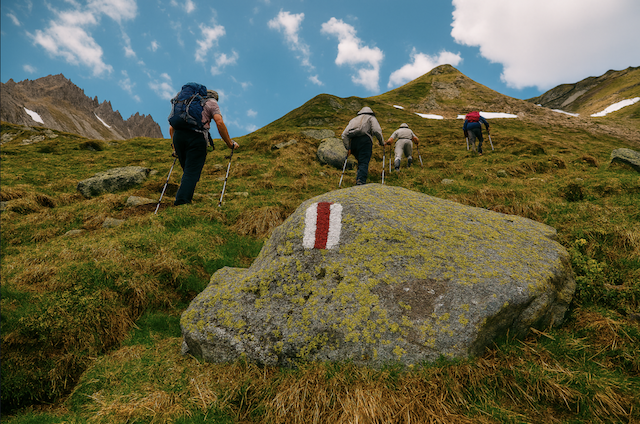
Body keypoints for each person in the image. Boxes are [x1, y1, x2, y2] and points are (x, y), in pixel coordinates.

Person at [170, 89, 239, 206]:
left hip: (178, 136)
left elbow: (172, 127)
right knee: (191, 172)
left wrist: (175, 147)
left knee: (188, 170)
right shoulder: (212, 102)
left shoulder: (186, 102)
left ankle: (184, 198)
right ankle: (182, 202)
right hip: (196, 137)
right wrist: (229, 143)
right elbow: (219, 122)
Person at [341, 106, 384, 185]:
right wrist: (381, 142)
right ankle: (361, 181)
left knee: (360, 161)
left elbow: (344, 135)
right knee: (363, 161)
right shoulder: (371, 118)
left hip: (353, 142)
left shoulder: (353, 120)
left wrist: (348, 148)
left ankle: (358, 178)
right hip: (365, 141)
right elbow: (377, 130)